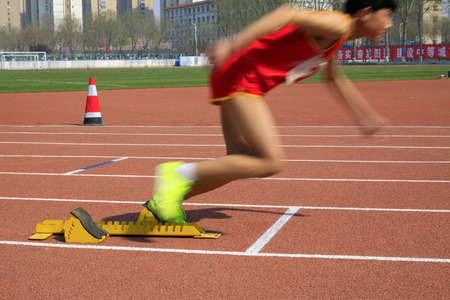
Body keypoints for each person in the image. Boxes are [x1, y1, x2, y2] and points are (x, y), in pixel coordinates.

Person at [144, 0, 398, 224]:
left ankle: (166, 199)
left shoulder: (337, 36)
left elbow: (334, 78)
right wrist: (233, 46)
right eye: (387, 16)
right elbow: (286, 12)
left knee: (237, 161)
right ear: (366, 12)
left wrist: (364, 115)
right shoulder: (337, 24)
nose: (389, 24)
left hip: (239, 76)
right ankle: (177, 174)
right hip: (242, 76)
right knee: (269, 161)